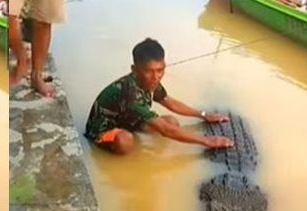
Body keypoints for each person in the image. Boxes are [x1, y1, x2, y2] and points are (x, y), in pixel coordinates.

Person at [85, 38, 233, 155]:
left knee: (172, 122)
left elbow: (170, 102)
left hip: (126, 121)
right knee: (125, 142)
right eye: (149, 71)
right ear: (135, 70)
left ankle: (134, 138)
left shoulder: (150, 82)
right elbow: (165, 130)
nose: (156, 77)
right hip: (102, 131)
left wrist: (204, 115)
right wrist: (207, 141)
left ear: (164, 66)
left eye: (160, 70)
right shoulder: (130, 93)